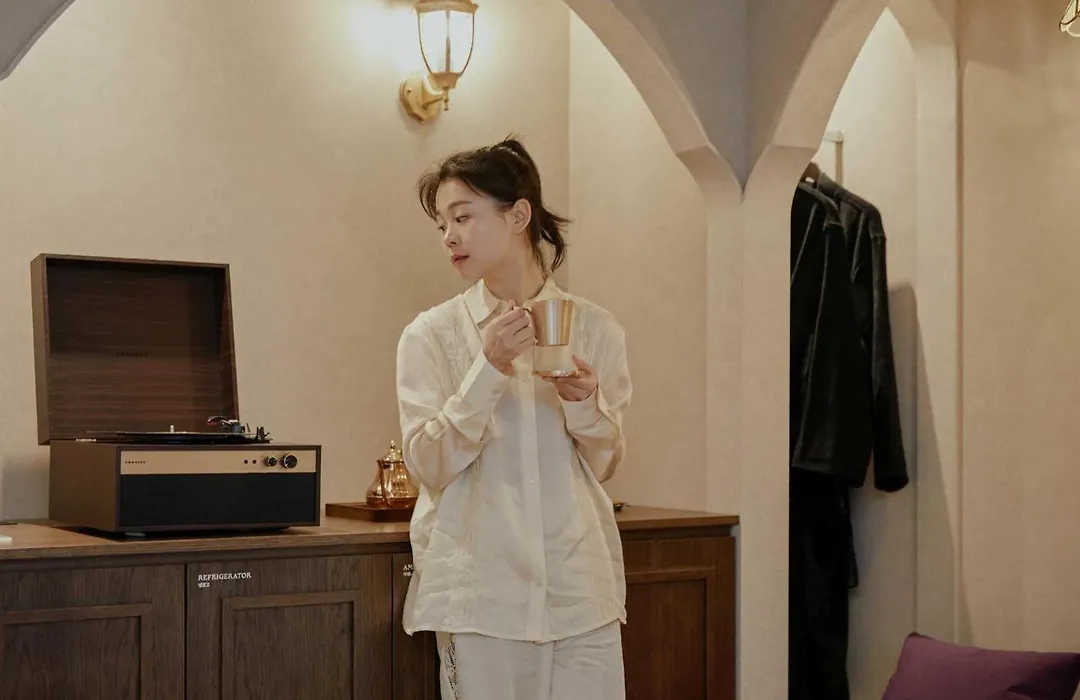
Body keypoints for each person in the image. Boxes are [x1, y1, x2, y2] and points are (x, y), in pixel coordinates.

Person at [395, 136, 633, 700]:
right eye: (442, 224)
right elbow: (426, 464)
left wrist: (584, 403)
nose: (449, 236)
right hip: (481, 599)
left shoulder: (595, 328)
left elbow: (604, 464)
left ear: (519, 216)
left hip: (581, 594)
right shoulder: (431, 335)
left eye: (463, 217)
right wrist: (488, 368)